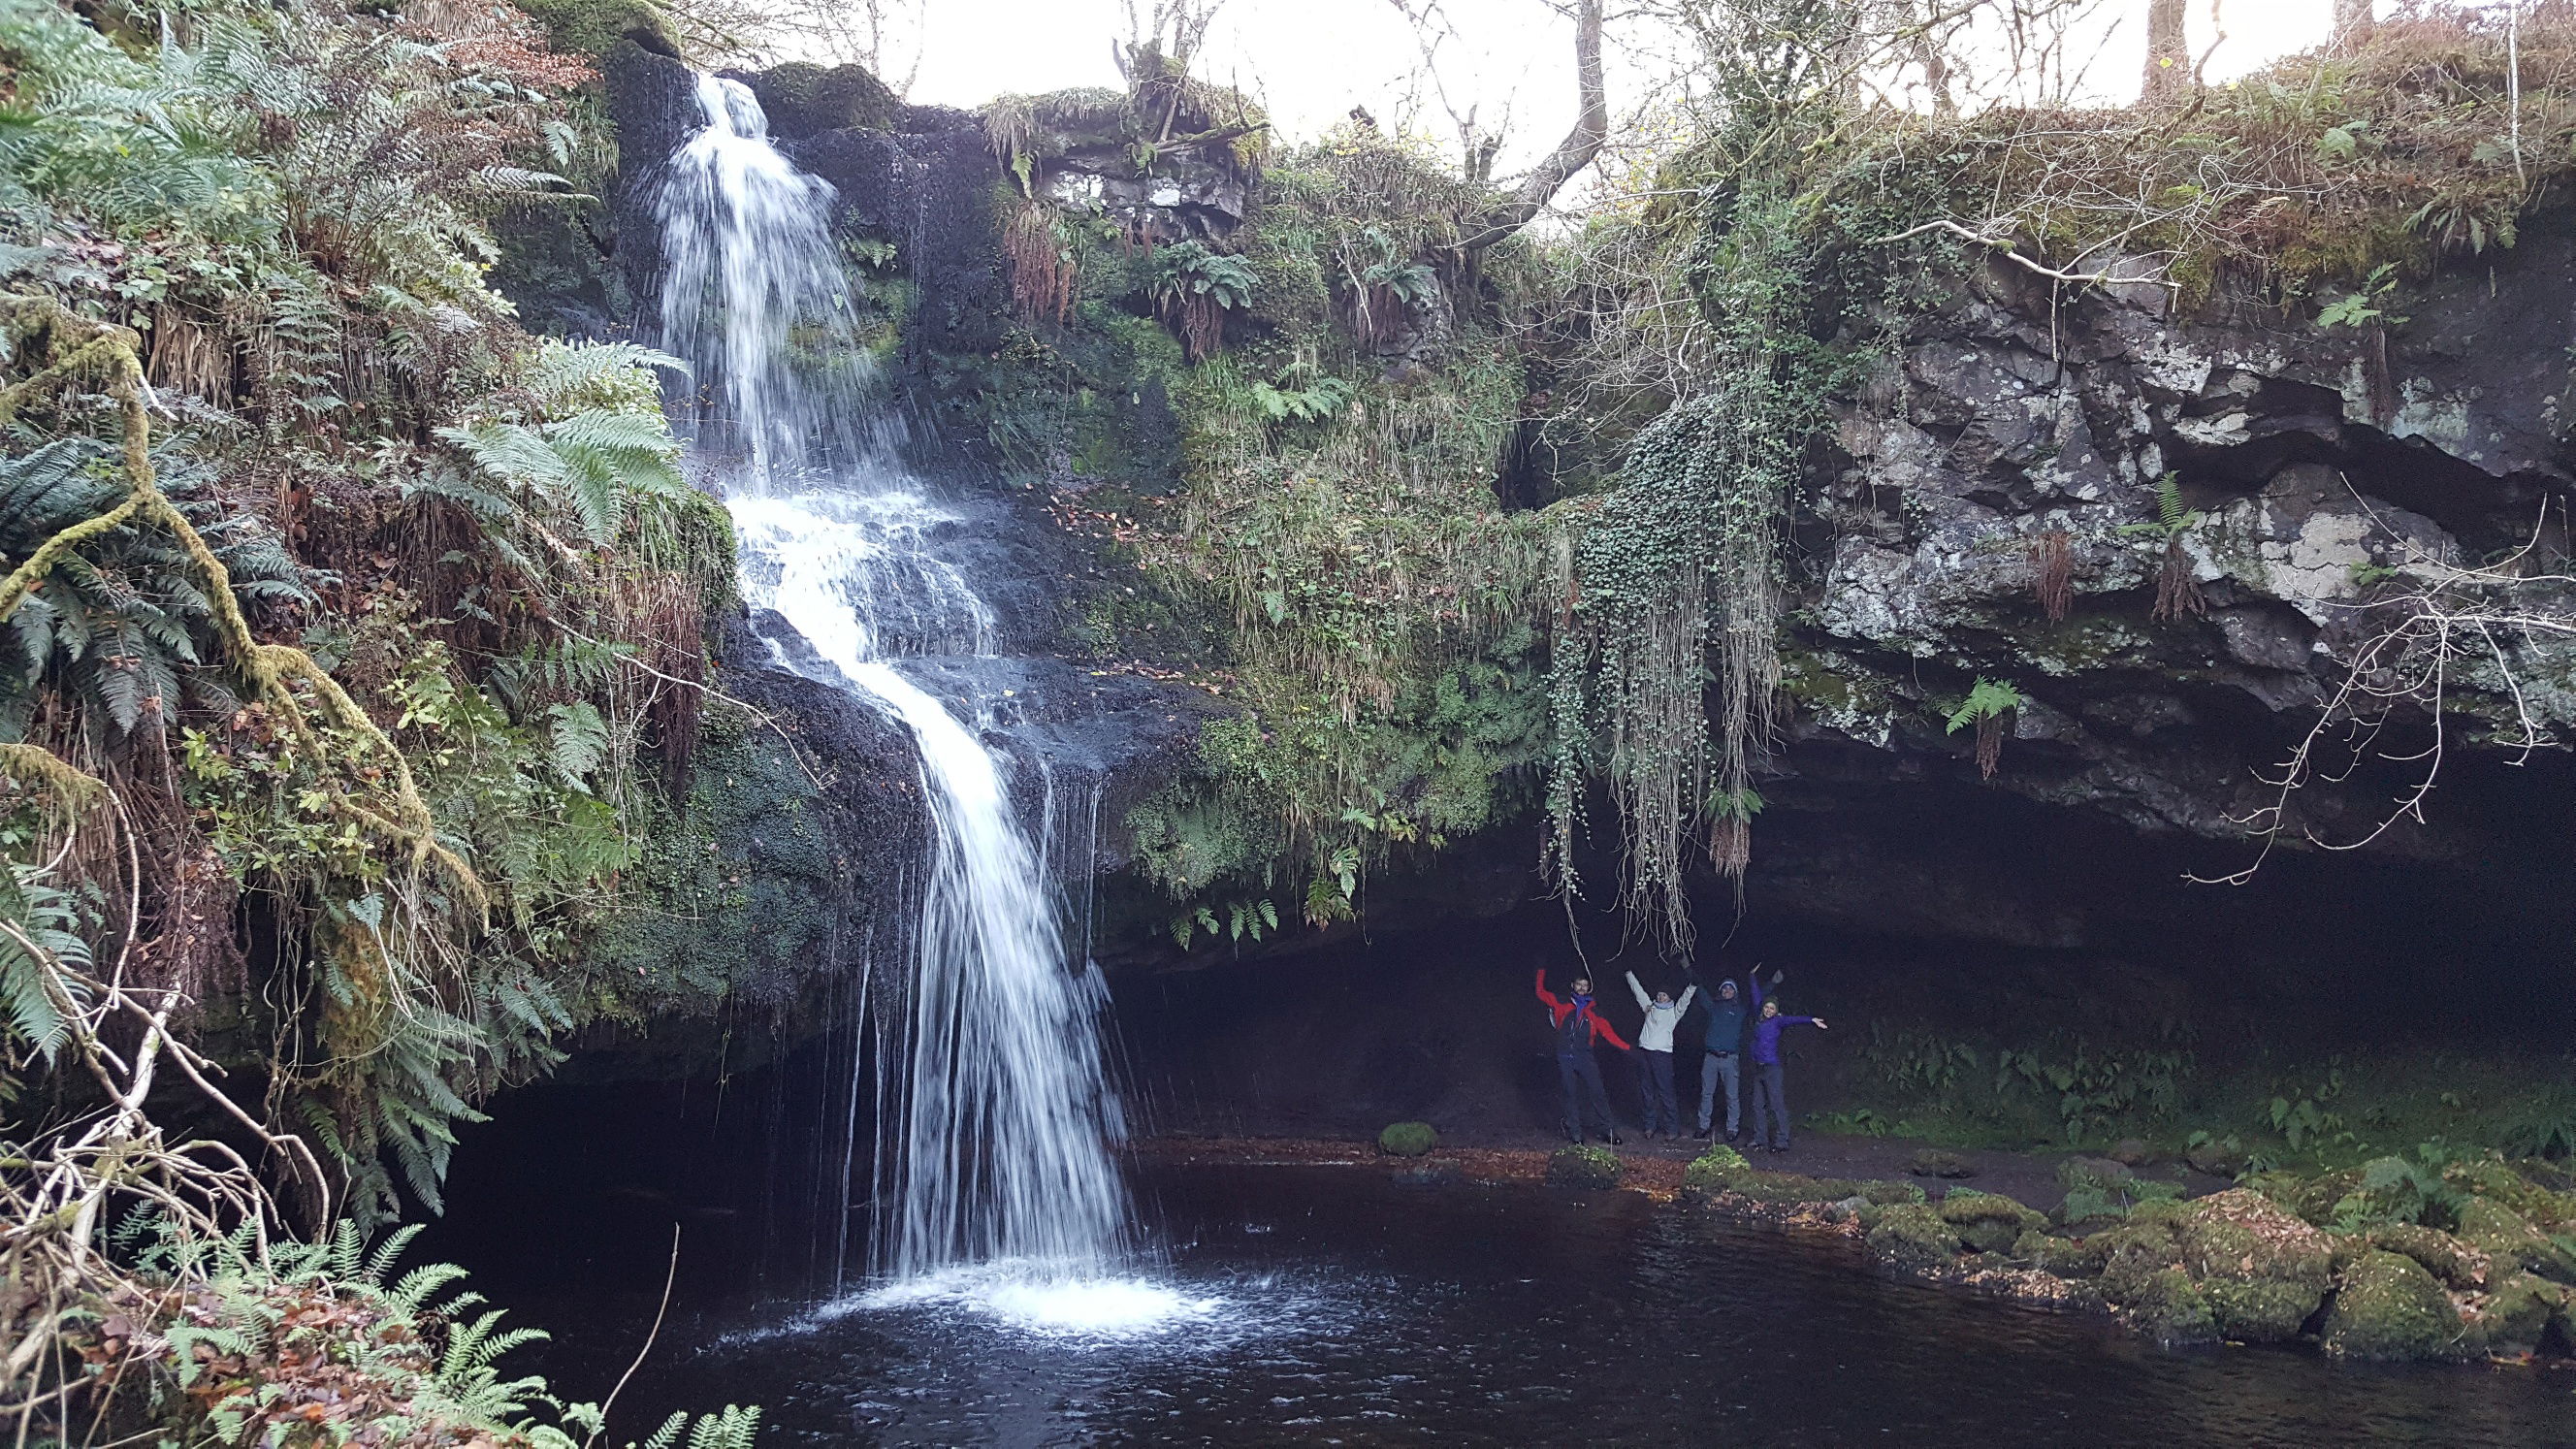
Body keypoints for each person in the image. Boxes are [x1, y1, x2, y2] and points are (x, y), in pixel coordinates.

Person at [1535, 969, 1633, 1144]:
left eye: (1585, 985)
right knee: (1570, 1093)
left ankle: (1608, 1131)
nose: (1582, 988)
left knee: (1598, 1092)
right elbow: (1540, 992)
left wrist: (1628, 1048)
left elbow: (1609, 1034)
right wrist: (1541, 969)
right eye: (1579, 984)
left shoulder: (1595, 1011)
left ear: (1589, 988)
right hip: (1565, 1055)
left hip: (1584, 1056)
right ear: (1573, 986)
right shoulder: (1561, 1003)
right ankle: (1575, 1133)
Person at [1745, 968, 1827, 1152]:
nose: (1768, 1010)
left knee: (1776, 1104)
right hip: (1757, 1067)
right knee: (1757, 1105)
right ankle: (1760, 1139)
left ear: (1776, 1011)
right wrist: (1751, 976)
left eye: (1772, 1009)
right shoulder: (1760, 1017)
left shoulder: (1778, 1022)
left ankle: (1782, 1140)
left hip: (1772, 1068)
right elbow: (1755, 994)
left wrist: (1811, 1019)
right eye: (1767, 1007)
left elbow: (1794, 1019)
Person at [1624, 969, 1695, 1139]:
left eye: (1664, 995)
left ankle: (1671, 1128)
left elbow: (1685, 1000)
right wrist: (1629, 974)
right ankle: (1649, 1125)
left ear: (1670, 998)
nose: (1661, 997)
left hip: (1662, 1055)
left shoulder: (1674, 1012)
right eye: (1660, 994)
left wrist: (1692, 986)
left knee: (1666, 1091)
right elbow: (1638, 992)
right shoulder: (1649, 1008)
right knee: (1647, 1090)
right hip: (1645, 1053)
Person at [1687, 967, 1749, 1143]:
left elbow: (1758, 1001)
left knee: (1732, 1095)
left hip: (1730, 1058)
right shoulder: (1713, 1007)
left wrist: (1771, 982)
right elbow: (1699, 989)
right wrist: (1688, 969)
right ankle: (1703, 1125)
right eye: (1724, 988)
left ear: (1735, 992)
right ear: (1721, 991)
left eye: (1730, 988)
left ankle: (1732, 1128)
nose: (1727, 991)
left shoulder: (1740, 1010)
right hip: (1711, 1057)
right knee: (1706, 1093)